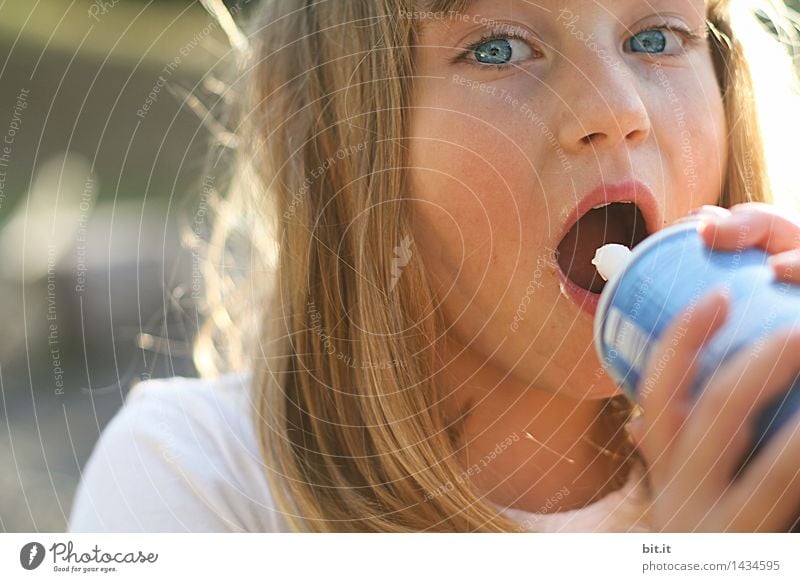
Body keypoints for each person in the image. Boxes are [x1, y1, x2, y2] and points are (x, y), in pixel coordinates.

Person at [69, 0, 800, 533]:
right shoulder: (197, 479)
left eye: (654, 36)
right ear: (341, 145)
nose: (616, 107)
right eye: (497, 50)